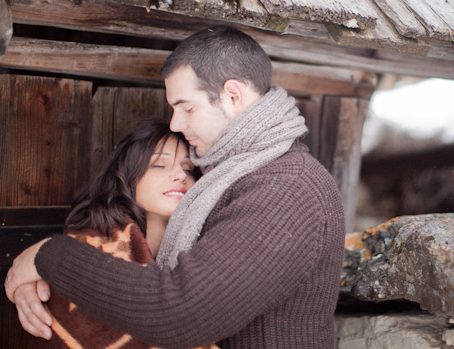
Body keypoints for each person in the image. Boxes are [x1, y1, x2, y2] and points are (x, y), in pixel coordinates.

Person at [6, 26, 346, 349]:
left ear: (232, 95)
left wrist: (49, 256)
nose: (176, 124)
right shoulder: (238, 176)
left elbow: (182, 312)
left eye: (185, 107)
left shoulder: (287, 188)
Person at [29, 118, 216, 349]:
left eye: (188, 169)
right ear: (126, 178)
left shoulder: (205, 254)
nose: (180, 175)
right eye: (159, 165)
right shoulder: (83, 254)